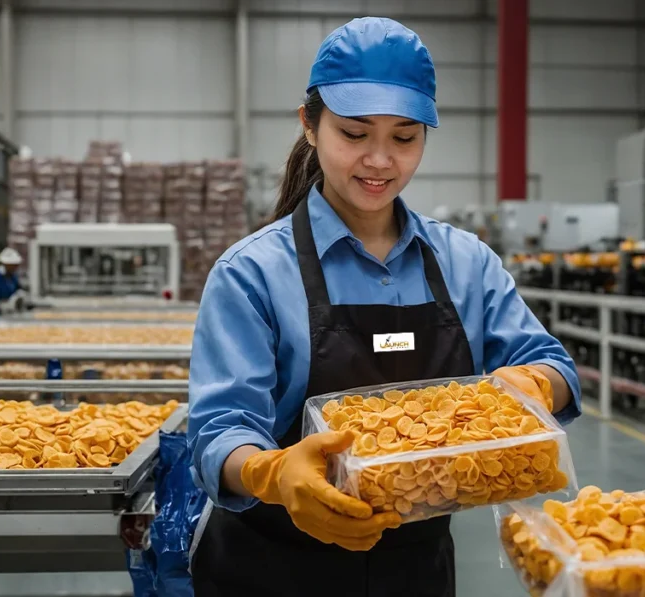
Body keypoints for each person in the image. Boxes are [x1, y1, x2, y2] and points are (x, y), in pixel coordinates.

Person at [186, 16, 581, 597]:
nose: (379, 160)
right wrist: (273, 473)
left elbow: (553, 365)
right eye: (353, 133)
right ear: (310, 125)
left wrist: (537, 385)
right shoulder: (252, 273)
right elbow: (221, 429)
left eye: (404, 137)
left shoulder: (464, 262)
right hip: (271, 567)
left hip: (415, 572)